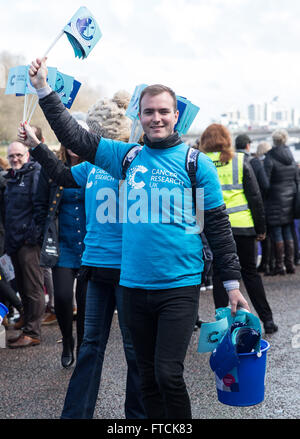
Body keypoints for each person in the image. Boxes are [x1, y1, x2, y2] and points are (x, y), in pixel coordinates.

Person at [21, 57, 250, 419]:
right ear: (138, 116)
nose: (156, 118)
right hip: (130, 285)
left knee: (167, 374)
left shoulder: (196, 164)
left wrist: (233, 283)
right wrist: (44, 90)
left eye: (163, 112)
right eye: (148, 112)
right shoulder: (126, 157)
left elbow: (217, 226)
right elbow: (74, 137)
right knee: (144, 377)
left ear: (176, 116)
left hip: (178, 285)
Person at [19, 90, 145, 419]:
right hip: (95, 269)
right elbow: (60, 175)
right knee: (90, 346)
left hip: (129, 271)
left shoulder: (136, 164)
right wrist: (35, 145)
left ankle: (137, 419)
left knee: (134, 352)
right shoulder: (90, 169)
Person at [200, 123, 278, 335]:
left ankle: (223, 327)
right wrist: (261, 228)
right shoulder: (241, 160)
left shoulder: (201, 163)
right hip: (243, 226)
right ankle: (267, 320)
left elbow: (198, 200)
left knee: (219, 276)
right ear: (227, 139)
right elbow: (255, 197)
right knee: (250, 274)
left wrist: (200, 230)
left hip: (214, 229)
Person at [34, 123, 88, 368]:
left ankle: (82, 345)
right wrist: (41, 235)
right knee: (64, 298)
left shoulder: (95, 169)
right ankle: (67, 339)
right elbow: (40, 205)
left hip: (89, 244)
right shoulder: (54, 169)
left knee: (87, 301)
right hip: (62, 243)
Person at [4, 140, 44, 348]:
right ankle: (26, 319)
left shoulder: (34, 174)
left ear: (27, 155)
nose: (15, 159)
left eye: (18, 155)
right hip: (14, 241)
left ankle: (33, 331)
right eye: (11, 156)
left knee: (33, 287)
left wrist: (32, 237)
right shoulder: (11, 177)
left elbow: (39, 208)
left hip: (28, 243)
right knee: (22, 285)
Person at [264, 129, 299, 275]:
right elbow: (296, 180)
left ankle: (279, 266)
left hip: (274, 200)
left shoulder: (270, 157)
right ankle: (290, 264)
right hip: (290, 199)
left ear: (274, 140)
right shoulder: (291, 157)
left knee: (277, 232)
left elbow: (265, 182)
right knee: (288, 231)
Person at [256, 141, 273, 275]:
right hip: (274, 203)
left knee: (265, 236)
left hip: (263, 204)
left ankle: (265, 263)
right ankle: (271, 262)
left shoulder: (259, 164)